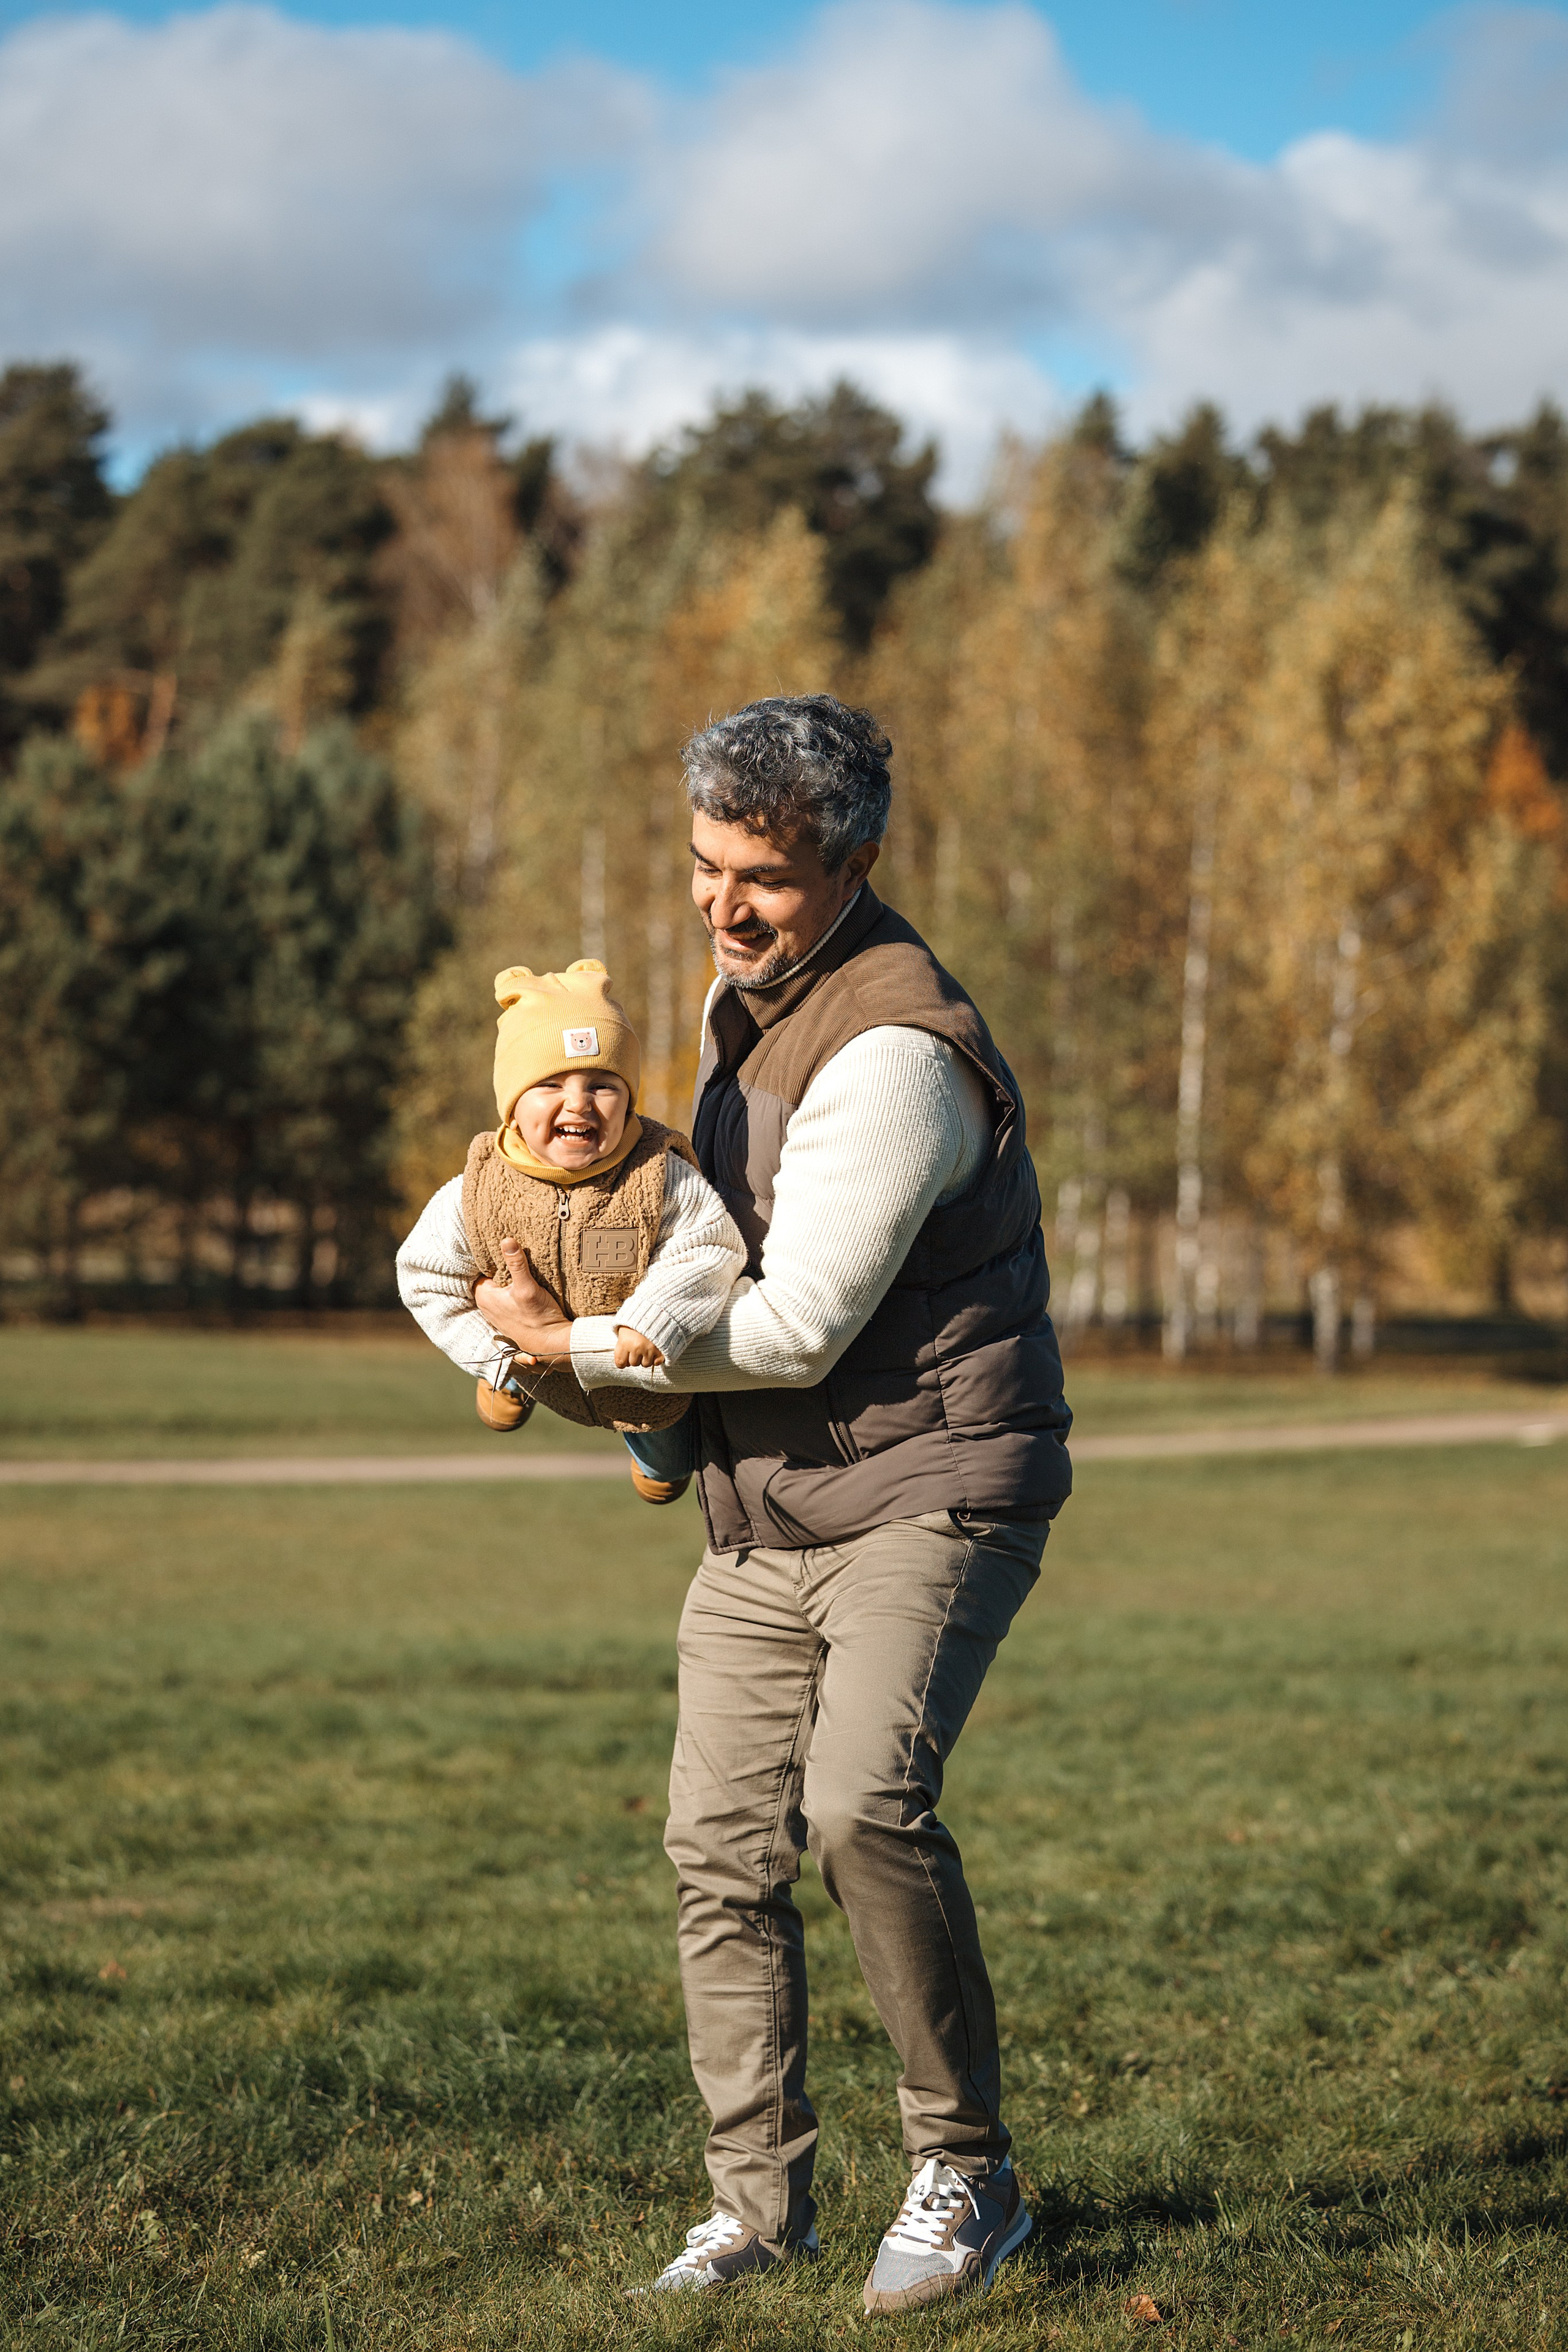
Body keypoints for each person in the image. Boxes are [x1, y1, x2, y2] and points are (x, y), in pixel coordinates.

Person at [478, 696, 1073, 2315]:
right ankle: (759, 2211)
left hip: (934, 1486)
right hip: (769, 1506)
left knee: (860, 1808)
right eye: (701, 868)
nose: (723, 907)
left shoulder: (894, 1052)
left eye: (765, 880)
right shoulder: (746, 1008)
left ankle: (969, 2177)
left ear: (857, 864)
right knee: (718, 1852)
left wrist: (581, 1346)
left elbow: (800, 1321)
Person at [396, 959, 744, 1504]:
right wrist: (490, 1350)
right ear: (512, 1104)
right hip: (524, 1352)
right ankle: (505, 1381)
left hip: (632, 1366)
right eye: (551, 1084)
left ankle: (660, 1461)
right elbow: (425, 1275)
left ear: (630, 1098)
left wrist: (656, 1320)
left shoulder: (659, 1177)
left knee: (670, 1465)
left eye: (603, 1085)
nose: (578, 1102)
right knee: (508, 1347)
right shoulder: (479, 1187)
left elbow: (708, 1249)